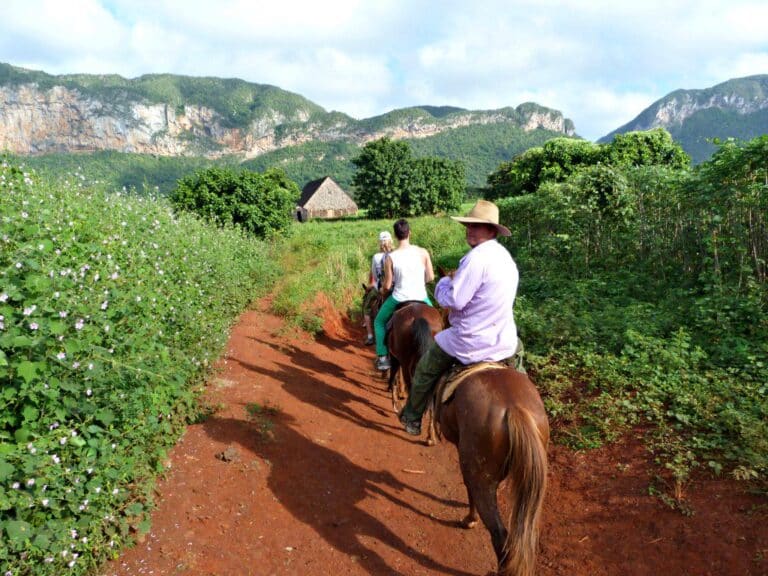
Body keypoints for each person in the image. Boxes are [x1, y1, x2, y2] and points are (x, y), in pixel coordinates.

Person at [398, 200, 519, 435]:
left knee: (425, 368)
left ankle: (412, 416)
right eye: (468, 225)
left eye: (477, 226)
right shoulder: (506, 259)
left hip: (469, 340)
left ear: (492, 230)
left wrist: (444, 283)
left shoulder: (475, 259)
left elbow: (454, 301)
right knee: (518, 350)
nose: (470, 230)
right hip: (502, 338)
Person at [374, 219, 435, 371]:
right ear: (410, 233)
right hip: (421, 296)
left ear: (395, 235)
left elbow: (387, 285)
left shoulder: (391, 257)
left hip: (399, 298)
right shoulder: (423, 252)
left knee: (379, 322)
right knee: (438, 319)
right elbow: (431, 277)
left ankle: (382, 357)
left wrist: (381, 291)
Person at [362, 231, 394, 345]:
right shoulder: (398, 254)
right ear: (391, 241)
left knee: (366, 307)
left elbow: (375, 277)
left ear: (380, 243)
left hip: (382, 288)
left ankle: (370, 336)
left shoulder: (376, 257)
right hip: (397, 288)